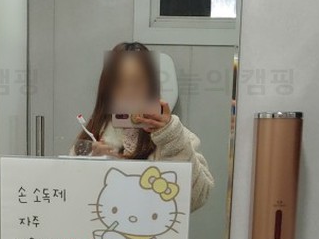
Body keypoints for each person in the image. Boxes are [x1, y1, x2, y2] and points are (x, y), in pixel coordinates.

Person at [74, 42, 214, 211]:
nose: (128, 91)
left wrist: (171, 138)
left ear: (151, 86)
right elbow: (73, 199)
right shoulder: (92, 138)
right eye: (119, 83)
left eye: (137, 82)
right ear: (107, 90)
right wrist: (92, 166)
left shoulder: (177, 136)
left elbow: (198, 198)